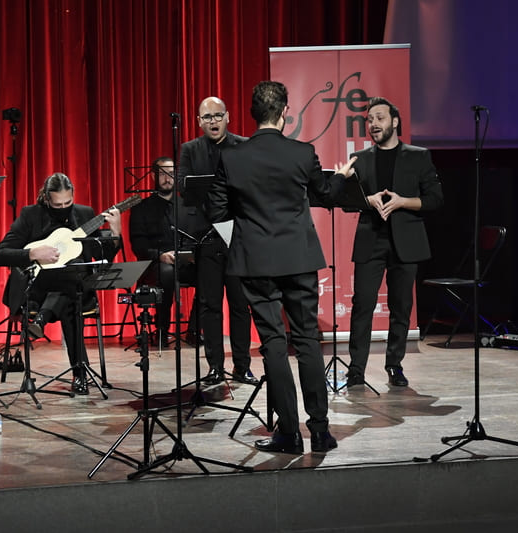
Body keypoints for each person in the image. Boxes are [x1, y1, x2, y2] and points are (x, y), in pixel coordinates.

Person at [206, 81, 356, 453]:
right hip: (298, 258)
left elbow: (217, 211)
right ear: (285, 112)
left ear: (252, 115)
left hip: (255, 260)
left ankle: (288, 434)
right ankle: (320, 432)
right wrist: (341, 177)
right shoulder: (303, 153)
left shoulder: (232, 157)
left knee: (274, 342)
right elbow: (324, 195)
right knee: (306, 340)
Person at [0, 173, 122, 395]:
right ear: (46, 198)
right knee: (71, 296)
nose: (63, 207)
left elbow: (104, 255)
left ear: (73, 196)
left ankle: (41, 321)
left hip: (75, 288)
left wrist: (116, 232)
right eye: (57, 204)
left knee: (72, 287)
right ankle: (79, 374)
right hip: (38, 289)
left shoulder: (84, 215)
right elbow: (0, 254)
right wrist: (32, 252)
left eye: (67, 203)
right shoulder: (30, 215)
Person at [345, 97, 443, 389]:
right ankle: (356, 369)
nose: (374, 124)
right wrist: (366, 199)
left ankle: (394, 364)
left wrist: (403, 202)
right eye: (370, 120)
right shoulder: (360, 159)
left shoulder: (418, 156)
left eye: (379, 118)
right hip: (370, 239)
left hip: (406, 241)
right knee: (363, 304)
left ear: (395, 121)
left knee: (401, 306)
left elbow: (436, 199)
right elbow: (346, 201)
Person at [178, 96, 256, 385]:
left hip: (238, 238)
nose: (213, 121)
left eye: (218, 115)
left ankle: (242, 366)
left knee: (239, 304)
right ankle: (214, 366)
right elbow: (184, 188)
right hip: (207, 238)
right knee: (210, 305)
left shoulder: (244, 145)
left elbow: (252, 187)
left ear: (228, 117)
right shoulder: (190, 149)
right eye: (207, 117)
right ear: (199, 121)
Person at [129, 156, 201, 347]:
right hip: (154, 265)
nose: (167, 178)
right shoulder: (141, 208)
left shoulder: (188, 207)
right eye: (163, 174)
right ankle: (162, 330)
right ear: (153, 175)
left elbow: (196, 237)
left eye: (171, 174)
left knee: (209, 273)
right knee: (167, 274)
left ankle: (194, 330)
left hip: (185, 263)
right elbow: (138, 244)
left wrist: (191, 255)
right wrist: (160, 255)